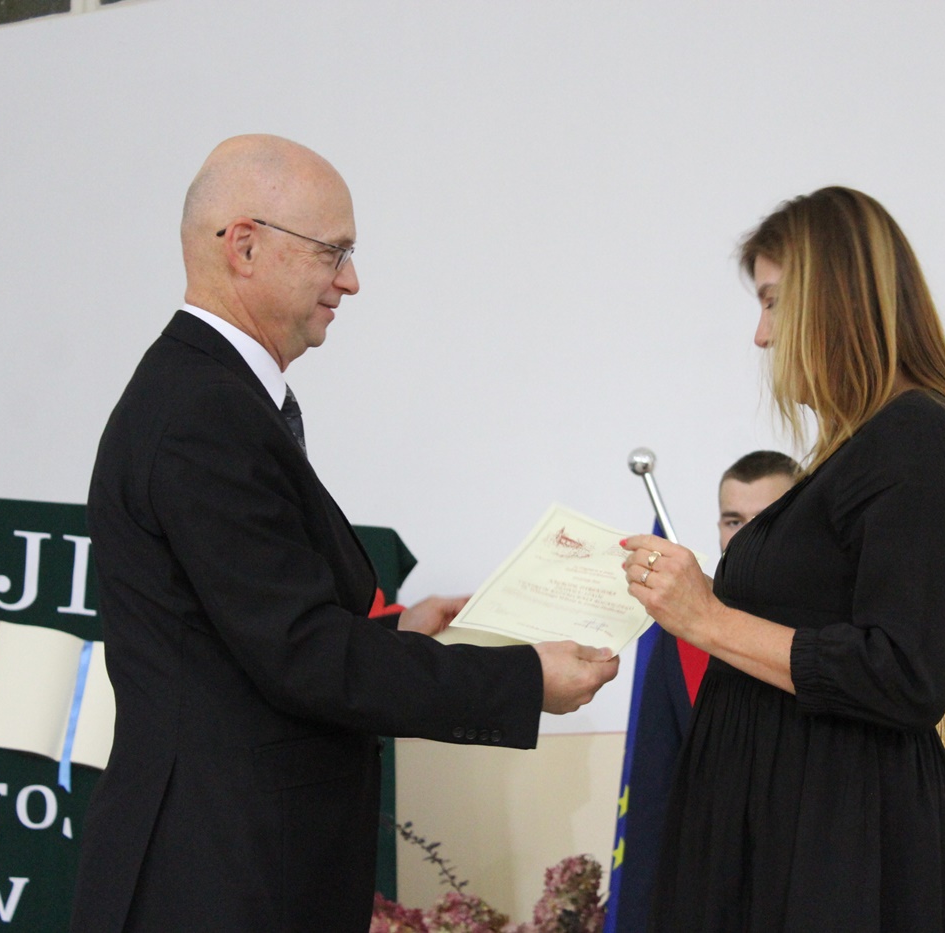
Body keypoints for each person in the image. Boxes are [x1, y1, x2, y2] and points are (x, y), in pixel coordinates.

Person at [71, 135, 619, 933]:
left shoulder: (208, 395)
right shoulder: (203, 411)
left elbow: (240, 636)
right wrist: (524, 679)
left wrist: (398, 633)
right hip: (218, 878)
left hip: (236, 866)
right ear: (245, 246)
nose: (351, 281)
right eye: (333, 252)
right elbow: (301, 654)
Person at [622, 186, 945, 932]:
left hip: (837, 840)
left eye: (772, 302)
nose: (761, 336)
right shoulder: (861, 450)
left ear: (835, 297)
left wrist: (707, 617)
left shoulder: (920, 438)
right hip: (791, 821)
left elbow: (903, 672)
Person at [611, 450, 799, 933]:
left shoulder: (833, 637)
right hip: (714, 887)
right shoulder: (681, 638)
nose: (746, 536)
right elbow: (656, 786)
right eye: (733, 521)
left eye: (767, 520)